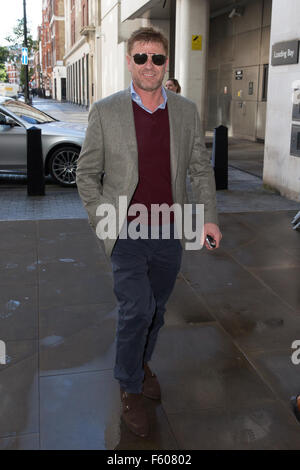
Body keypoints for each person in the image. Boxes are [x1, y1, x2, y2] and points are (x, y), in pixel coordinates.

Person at [76, 26, 222, 438]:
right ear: (129, 62)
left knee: (156, 311)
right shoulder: (106, 111)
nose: (149, 65)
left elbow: (198, 169)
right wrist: (101, 218)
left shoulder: (185, 111)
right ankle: (129, 386)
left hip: (169, 228)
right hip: (124, 229)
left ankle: (140, 362)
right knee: (136, 308)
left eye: (157, 58)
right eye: (140, 57)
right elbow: (86, 174)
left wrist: (208, 216)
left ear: (166, 63)